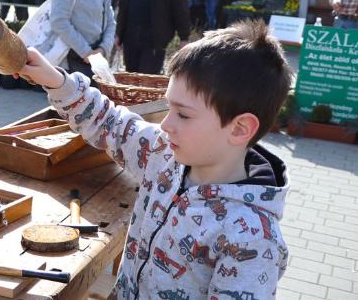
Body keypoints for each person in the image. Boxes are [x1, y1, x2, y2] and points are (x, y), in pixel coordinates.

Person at [17, 19, 291, 300]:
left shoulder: (253, 241)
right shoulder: (164, 155)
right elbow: (110, 122)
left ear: (239, 129)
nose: (166, 125)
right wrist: (55, 80)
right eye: (168, 107)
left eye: (183, 114)